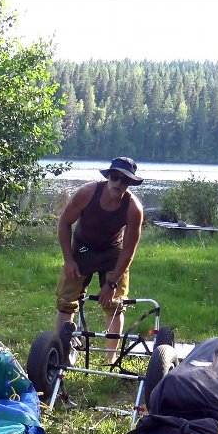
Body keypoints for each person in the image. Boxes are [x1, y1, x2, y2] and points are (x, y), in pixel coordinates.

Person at [54, 156, 146, 365]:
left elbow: (129, 250)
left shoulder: (134, 208)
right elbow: (64, 223)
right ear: (108, 177)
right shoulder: (87, 193)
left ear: (130, 183)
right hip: (83, 247)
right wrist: (69, 260)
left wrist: (112, 283)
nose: (118, 183)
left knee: (114, 304)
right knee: (66, 302)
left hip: (112, 252)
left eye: (125, 180)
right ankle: (61, 353)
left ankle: (110, 359)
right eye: (115, 177)